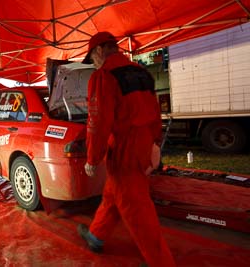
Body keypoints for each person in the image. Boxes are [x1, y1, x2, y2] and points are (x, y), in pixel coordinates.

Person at [77, 32, 176, 267]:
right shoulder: (141, 73)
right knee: (113, 194)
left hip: (123, 147)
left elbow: (98, 122)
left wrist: (92, 158)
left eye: (92, 58)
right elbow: (154, 110)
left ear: (99, 50)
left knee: (136, 207)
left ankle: (160, 262)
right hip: (142, 144)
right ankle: (96, 236)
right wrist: (154, 142)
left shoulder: (104, 77)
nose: (95, 63)